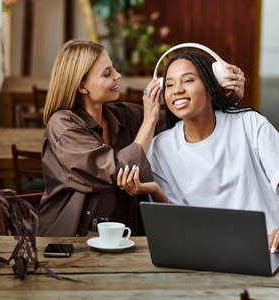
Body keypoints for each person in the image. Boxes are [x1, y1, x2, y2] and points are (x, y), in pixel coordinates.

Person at [37, 40, 247, 237]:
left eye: (114, 69)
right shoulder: (62, 125)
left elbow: (186, 120)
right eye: (107, 73)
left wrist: (226, 98)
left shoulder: (121, 114)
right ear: (82, 86)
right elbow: (117, 170)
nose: (118, 76)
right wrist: (149, 120)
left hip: (122, 238)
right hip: (71, 240)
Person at [117, 52, 279, 253]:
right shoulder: (160, 147)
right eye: (170, 85)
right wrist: (155, 191)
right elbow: (177, 220)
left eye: (188, 80)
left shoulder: (249, 123)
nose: (178, 90)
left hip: (272, 245)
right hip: (209, 251)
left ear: (210, 86)